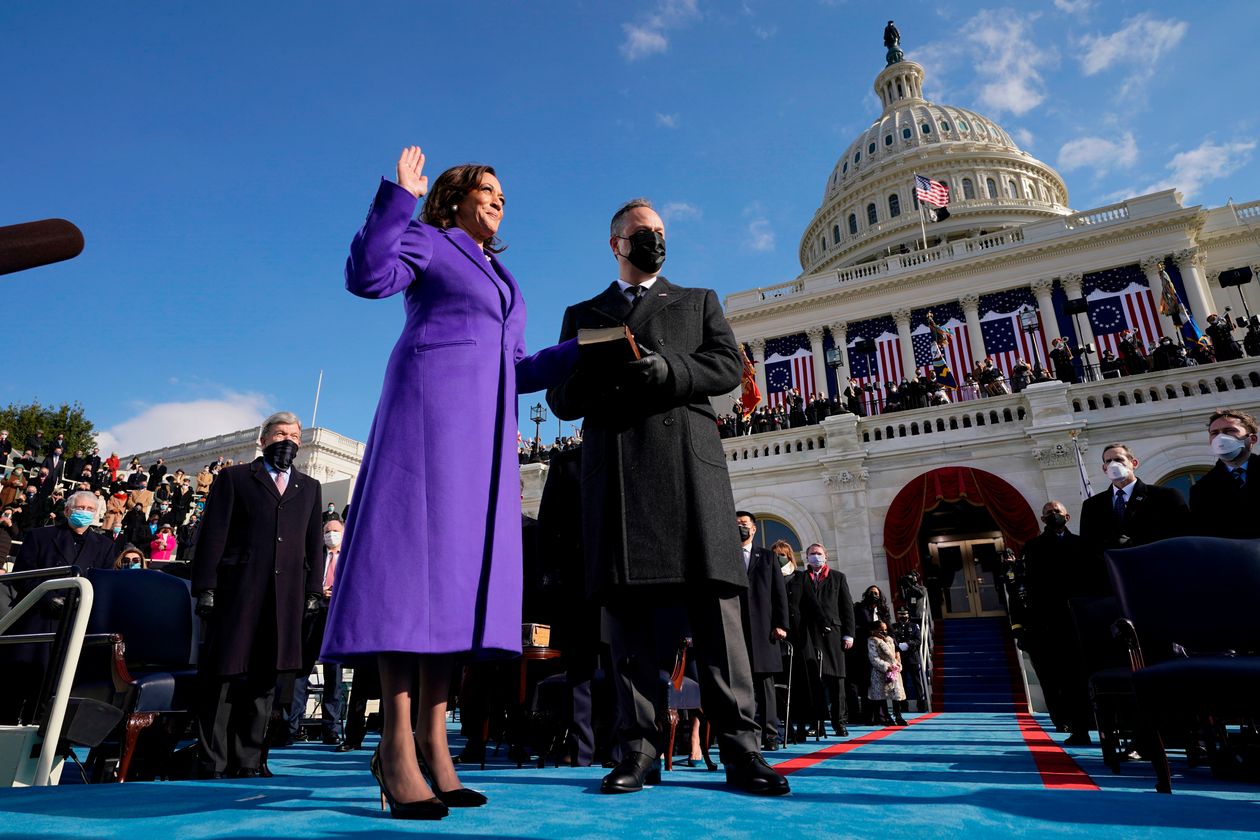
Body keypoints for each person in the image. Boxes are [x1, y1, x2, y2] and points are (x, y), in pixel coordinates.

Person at [320, 147, 577, 820]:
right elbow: (367, 276)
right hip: (426, 417)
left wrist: (589, 349)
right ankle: (396, 746)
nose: (497, 200)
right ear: (455, 199)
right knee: (412, 577)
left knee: (457, 587)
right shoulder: (429, 241)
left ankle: (437, 744)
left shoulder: (508, 281)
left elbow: (517, 366)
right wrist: (398, 197)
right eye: (485, 190)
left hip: (483, 438)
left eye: (501, 193)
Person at [546, 197, 788, 796]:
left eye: (658, 232)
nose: (651, 239)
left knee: (717, 619)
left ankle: (742, 749)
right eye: (639, 232)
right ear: (615, 244)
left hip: (688, 469)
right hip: (621, 475)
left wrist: (669, 372)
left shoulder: (698, 300)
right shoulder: (584, 312)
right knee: (627, 627)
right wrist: (604, 374)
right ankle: (637, 751)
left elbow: (727, 366)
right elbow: (560, 398)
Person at [191, 412, 324, 780]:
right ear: (263, 439)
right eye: (281, 433)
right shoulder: (233, 478)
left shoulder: (309, 487)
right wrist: (206, 587)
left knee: (266, 680)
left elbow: (315, 544)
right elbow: (213, 534)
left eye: (295, 435)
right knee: (224, 677)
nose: (288, 440)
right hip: (238, 592)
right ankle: (213, 760)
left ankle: (249, 759)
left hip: (285, 598)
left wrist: (312, 591)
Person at [2, 490, 115, 722]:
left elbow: (104, 583)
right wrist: (46, 598)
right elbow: (24, 575)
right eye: (79, 508)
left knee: (53, 688)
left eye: (90, 510)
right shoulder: (39, 536)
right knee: (16, 685)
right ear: (66, 510)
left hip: (74, 622)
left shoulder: (104, 545)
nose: (84, 513)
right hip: (36, 619)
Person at [1014, 501, 1103, 745]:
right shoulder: (1033, 548)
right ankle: (1079, 728)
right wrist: (1026, 625)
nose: (1054, 516)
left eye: (1057, 512)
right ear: (1042, 519)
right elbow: (1029, 587)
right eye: (1049, 513)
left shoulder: (1082, 544)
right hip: (1052, 622)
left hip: (1083, 618)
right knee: (1066, 678)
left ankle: (1100, 723)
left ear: (1068, 515)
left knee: (1088, 674)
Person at [1078, 443, 1190, 560]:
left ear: (1134, 463)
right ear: (1104, 468)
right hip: (1113, 573)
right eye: (1108, 461)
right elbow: (1087, 547)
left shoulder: (1165, 496)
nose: (1113, 464)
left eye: (1118, 459)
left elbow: (1182, 536)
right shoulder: (1092, 505)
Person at [288, 518, 345, 747]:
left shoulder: (349, 556)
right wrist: (316, 590)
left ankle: (330, 729)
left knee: (334, 674)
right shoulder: (313, 555)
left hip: (336, 615)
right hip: (312, 614)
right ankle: (292, 726)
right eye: (328, 531)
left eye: (335, 530)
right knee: (301, 672)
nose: (331, 534)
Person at [735, 511, 789, 751]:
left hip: (764, 629)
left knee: (765, 684)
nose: (741, 528)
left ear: (754, 529)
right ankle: (744, 733)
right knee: (738, 683)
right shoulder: (726, 557)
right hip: (735, 629)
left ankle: (770, 734)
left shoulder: (767, 557)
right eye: (736, 524)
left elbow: (779, 595)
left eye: (744, 524)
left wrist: (781, 625)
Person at [794, 543, 855, 739]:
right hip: (809, 634)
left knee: (837, 681)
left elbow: (846, 608)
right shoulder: (801, 577)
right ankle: (817, 724)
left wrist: (849, 634)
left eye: (818, 554)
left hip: (833, 634)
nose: (815, 557)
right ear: (806, 557)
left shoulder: (838, 577)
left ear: (825, 557)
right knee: (813, 681)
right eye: (812, 554)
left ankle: (839, 723)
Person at [1188, 408, 1260, 539]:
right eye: (1214, 433)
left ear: (1252, 439)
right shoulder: (1201, 490)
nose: (1220, 438)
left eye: (1230, 431)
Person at [866, 620, 906, 726]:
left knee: (896, 694)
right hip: (880, 671)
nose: (884, 632)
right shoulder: (872, 641)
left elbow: (896, 653)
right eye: (881, 630)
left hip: (894, 671)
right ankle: (886, 716)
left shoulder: (890, 640)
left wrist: (898, 664)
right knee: (882, 695)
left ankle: (898, 715)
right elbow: (874, 658)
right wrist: (886, 666)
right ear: (874, 631)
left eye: (885, 630)